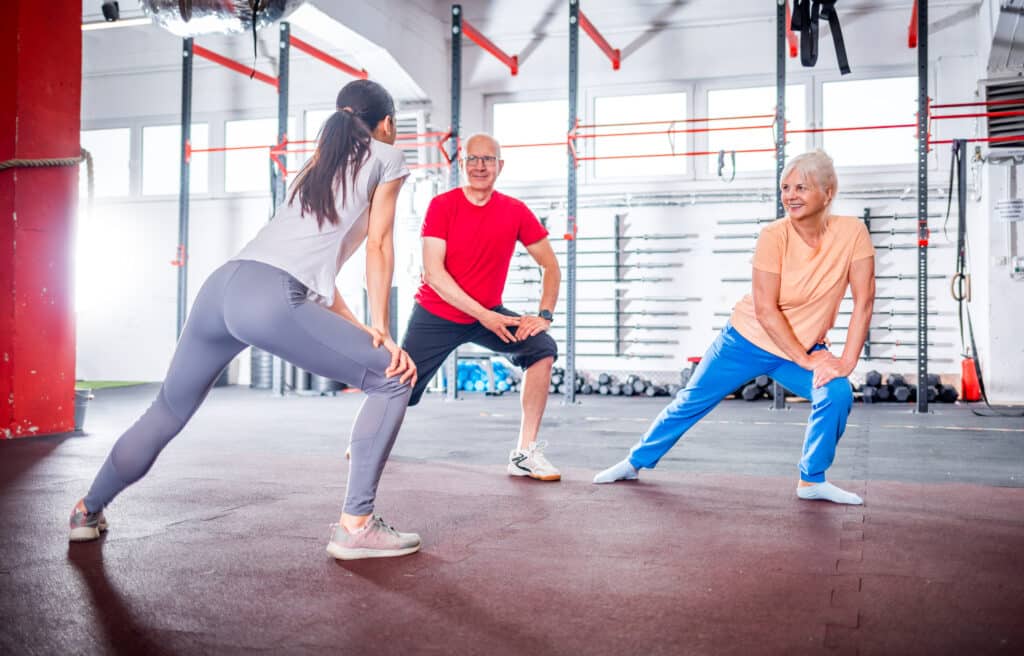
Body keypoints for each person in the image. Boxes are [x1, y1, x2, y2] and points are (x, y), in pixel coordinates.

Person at [69, 80, 423, 560]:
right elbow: (381, 245)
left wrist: (363, 331)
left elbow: (318, 276)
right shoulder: (387, 156)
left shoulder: (315, 170)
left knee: (166, 411)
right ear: (386, 124)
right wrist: (383, 330)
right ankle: (355, 527)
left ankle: (87, 511)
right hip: (271, 298)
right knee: (393, 379)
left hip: (223, 287)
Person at [594, 149, 874, 505]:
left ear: (828, 192)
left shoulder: (852, 233)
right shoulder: (774, 235)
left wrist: (844, 363)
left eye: (801, 187)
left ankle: (812, 480)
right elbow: (765, 310)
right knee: (690, 402)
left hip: (801, 347)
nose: (790, 195)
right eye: (785, 187)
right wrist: (807, 362)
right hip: (747, 339)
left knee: (836, 394)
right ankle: (635, 462)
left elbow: (864, 301)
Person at [401, 133, 563, 481]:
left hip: (488, 313)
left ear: (499, 166)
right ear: (462, 165)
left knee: (542, 349)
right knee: (399, 384)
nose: (479, 166)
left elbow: (550, 265)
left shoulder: (515, 211)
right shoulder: (442, 206)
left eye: (487, 159)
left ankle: (525, 454)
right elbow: (434, 273)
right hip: (437, 313)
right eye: (472, 159)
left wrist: (544, 315)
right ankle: (369, 441)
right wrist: (486, 316)